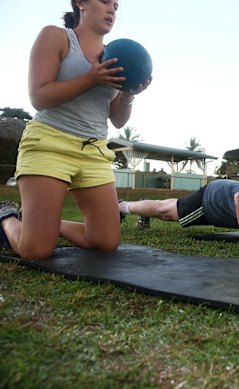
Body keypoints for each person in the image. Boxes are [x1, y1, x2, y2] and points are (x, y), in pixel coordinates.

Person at [0, 0, 150, 258]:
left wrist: (128, 96)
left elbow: (117, 120)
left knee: (106, 241)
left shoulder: (114, 55)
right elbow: (39, 96)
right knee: (35, 250)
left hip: (94, 151)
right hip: (49, 145)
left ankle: (46, 225)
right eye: (105, 1)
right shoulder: (55, 36)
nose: (112, 9)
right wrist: (91, 78)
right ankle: (6, 217)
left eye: (116, 4)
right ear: (80, 2)